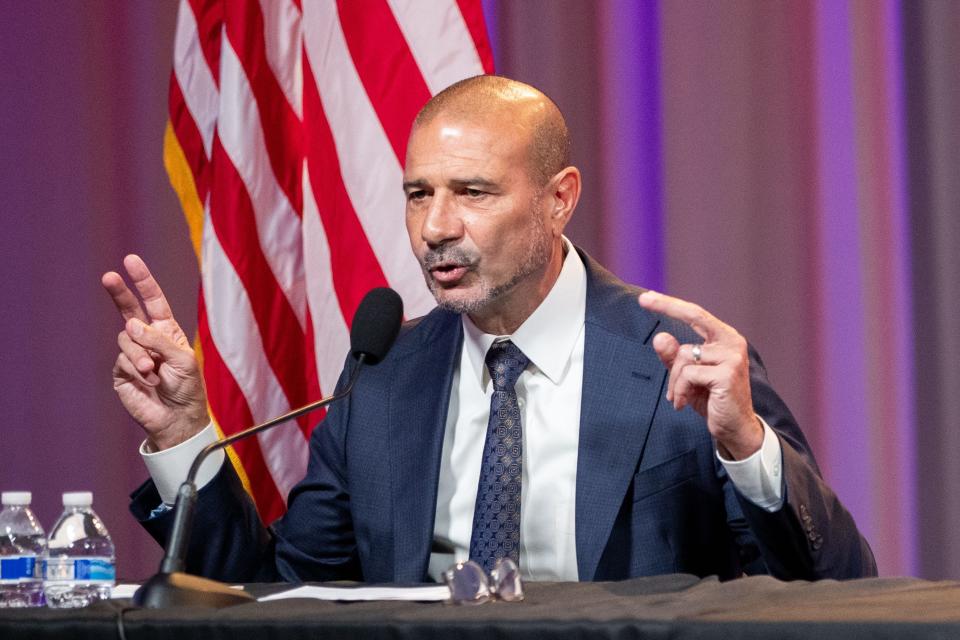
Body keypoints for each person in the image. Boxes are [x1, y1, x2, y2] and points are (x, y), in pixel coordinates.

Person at [103, 75, 876, 583]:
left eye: (472, 192)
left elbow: (840, 587)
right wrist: (186, 434)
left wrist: (747, 448)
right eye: (417, 193)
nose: (436, 227)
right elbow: (274, 596)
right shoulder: (383, 373)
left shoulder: (677, 365)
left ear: (558, 198)